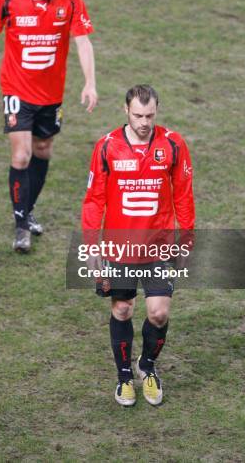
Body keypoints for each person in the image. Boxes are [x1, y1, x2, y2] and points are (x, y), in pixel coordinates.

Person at [82, 85, 195, 406]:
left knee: (158, 314)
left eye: (149, 115)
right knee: (122, 309)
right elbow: (94, 201)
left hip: (158, 246)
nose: (144, 122)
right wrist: (92, 247)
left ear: (157, 111)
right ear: (125, 111)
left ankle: (147, 367)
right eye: (137, 115)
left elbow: (184, 195)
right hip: (119, 248)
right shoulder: (107, 147)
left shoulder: (173, 144)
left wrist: (186, 240)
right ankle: (124, 377)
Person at [0, 0, 97, 252]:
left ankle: (26, 211)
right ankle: (21, 229)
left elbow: (82, 40)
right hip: (16, 89)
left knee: (43, 149)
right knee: (21, 156)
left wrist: (90, 82)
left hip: (51, 94)